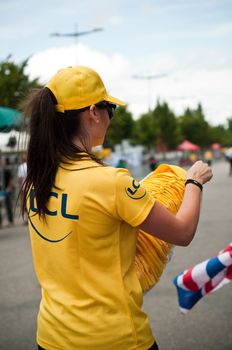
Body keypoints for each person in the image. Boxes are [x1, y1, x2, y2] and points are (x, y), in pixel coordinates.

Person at [21, 66, 213, 350]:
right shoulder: (110, 182)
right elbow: (183, 232)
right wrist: (193, 181)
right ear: (92, 112)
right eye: (110, 108)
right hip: (115, 338)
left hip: (51, 336)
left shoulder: (38, 180)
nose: (110, 117)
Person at [0, 157, 14, 227]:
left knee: (8, 206)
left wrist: (9, 188)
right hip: (1, 191)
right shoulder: (0, 171)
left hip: (6, 191)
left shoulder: (7, 171)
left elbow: (11, 180)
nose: (2, 163)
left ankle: (10, 221)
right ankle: (0, 223)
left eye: (3, 162)